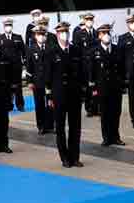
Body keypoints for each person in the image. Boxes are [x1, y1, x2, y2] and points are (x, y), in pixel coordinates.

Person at [43, 22, 83, 168]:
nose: (64, 35)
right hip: (59, 95)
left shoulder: (74, 50)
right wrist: (49, 96)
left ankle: (75, 156)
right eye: (61, 32)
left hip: (74, 94)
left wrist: (83, 91)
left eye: (66, 31)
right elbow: (47, 77)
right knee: (60, 128)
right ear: (57, 34)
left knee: (75, 127)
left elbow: (81, 72)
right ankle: (64, 157)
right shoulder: (51, 52)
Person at [85, 24, 125, 146]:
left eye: (108, 33)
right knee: (104, 113)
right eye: (104, 33)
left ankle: (116, 136)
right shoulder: (94, 51)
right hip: (102, 87)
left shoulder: (117, 49)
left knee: (116, 112)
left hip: (116, 87)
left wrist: (122, 83)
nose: (107, 35)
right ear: (99, 36)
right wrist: (93, 88)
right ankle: (106, 137)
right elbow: (91, 71)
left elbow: (122, 68)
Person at [26, 20, 54, 134]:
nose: (41, 37)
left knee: (50, 104)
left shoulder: (51, 48)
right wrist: (29, 81)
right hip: (37, 81)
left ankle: (50, 125)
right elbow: (29, 67)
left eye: (43, 34)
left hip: (50, 81)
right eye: (39, 34)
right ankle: (41, 126)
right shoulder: (31, 49)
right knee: (39, 104)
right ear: (35, 36)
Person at [73, 13, 99, 117]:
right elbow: (76, 51)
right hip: (85, 65)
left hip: (95, 64)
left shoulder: (97, 32)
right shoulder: (79, 33)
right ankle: (89, 108)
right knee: (88, 88)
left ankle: (97, 107)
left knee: (96, 87)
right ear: (84, 21)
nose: (90, 21)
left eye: (91, 20)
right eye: (88, 20)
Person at [0, 17, 27, 111]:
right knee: (6, 87)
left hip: (16, 67)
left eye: (10, 25)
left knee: (18, 87)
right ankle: (8, 105)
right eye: (7, 25)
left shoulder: (18, 37)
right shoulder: (0, 38)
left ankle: (20, 105)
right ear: (3, 26)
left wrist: (25, 66)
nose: (8, 27)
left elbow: (24, 52)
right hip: (5, 67)